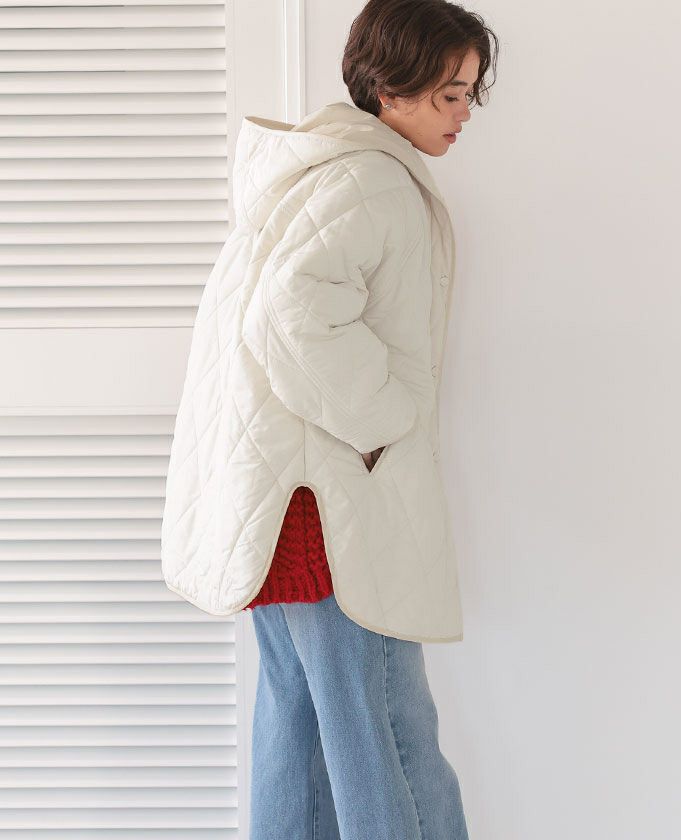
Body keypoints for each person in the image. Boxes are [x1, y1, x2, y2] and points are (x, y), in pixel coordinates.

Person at [160, 0, 499, 836]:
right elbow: (291, 314)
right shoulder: (370, 180)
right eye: (450, 94)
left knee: (301, 723)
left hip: (282, 499)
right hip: (327, 508)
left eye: (469, 94)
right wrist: (387, 417)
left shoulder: (322, 173)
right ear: (391, 86)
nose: (464, 113)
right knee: (382, 726)